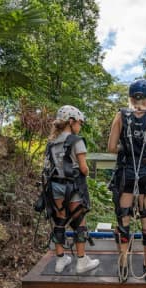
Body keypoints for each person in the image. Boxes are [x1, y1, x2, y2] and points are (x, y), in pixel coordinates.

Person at [108, 79, 146, 283]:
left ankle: (123, 265)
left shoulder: (121, 116)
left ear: (131, 97)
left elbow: (111, 146)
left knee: (124, 219)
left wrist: (126, 149)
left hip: (126, 173)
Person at [42, 105, 99, 274]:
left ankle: (61, 259)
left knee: (59, 221)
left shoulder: (51, 142)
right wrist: (87, 172)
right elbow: (83, 168)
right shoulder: (76, 141)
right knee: (79, 221)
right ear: (71, 121)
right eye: (79, 123)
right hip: (73, 187)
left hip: (55, 186)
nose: (80, 126)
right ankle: (81, 261)